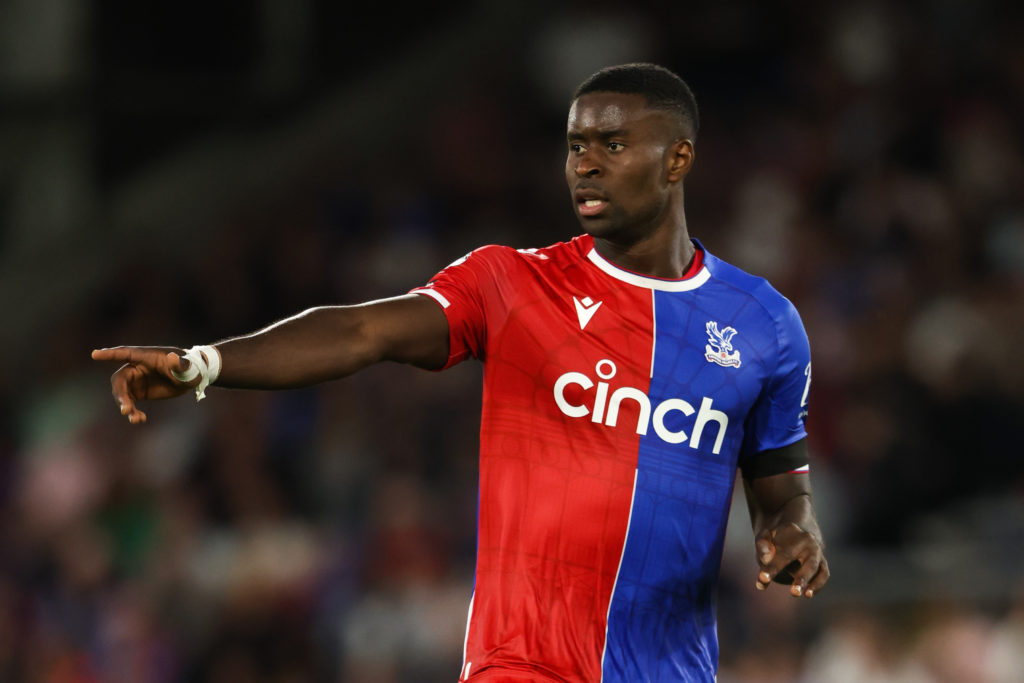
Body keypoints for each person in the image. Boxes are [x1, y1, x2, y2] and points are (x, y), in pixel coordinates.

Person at [93, 63, 829, 682]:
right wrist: (204, 364)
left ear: (678, 158)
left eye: (611, 143)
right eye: (575, 146)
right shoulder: (510, 285)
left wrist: (793, 534)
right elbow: (362, 329)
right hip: (521, 663)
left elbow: (781, 495)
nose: (586, 164)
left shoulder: (764, 326)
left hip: (672, 668)